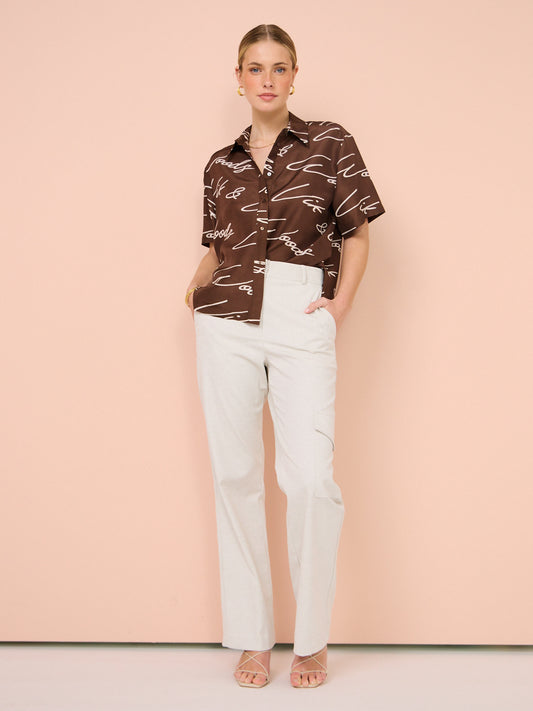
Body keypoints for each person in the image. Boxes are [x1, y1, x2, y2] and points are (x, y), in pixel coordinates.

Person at [185, 24, 385, 688]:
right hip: (226, 318)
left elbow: (356, 234)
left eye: (278, 67)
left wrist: (339, 306)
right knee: (235, 475)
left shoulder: (329, 142)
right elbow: (218, 246)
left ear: (294, 76)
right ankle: (251, 638)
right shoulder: (219, 163)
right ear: (238, 77)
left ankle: (311, 640)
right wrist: (192, 291)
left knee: (309, 480)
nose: (266, 79)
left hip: (300, 310)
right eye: (254, 67)